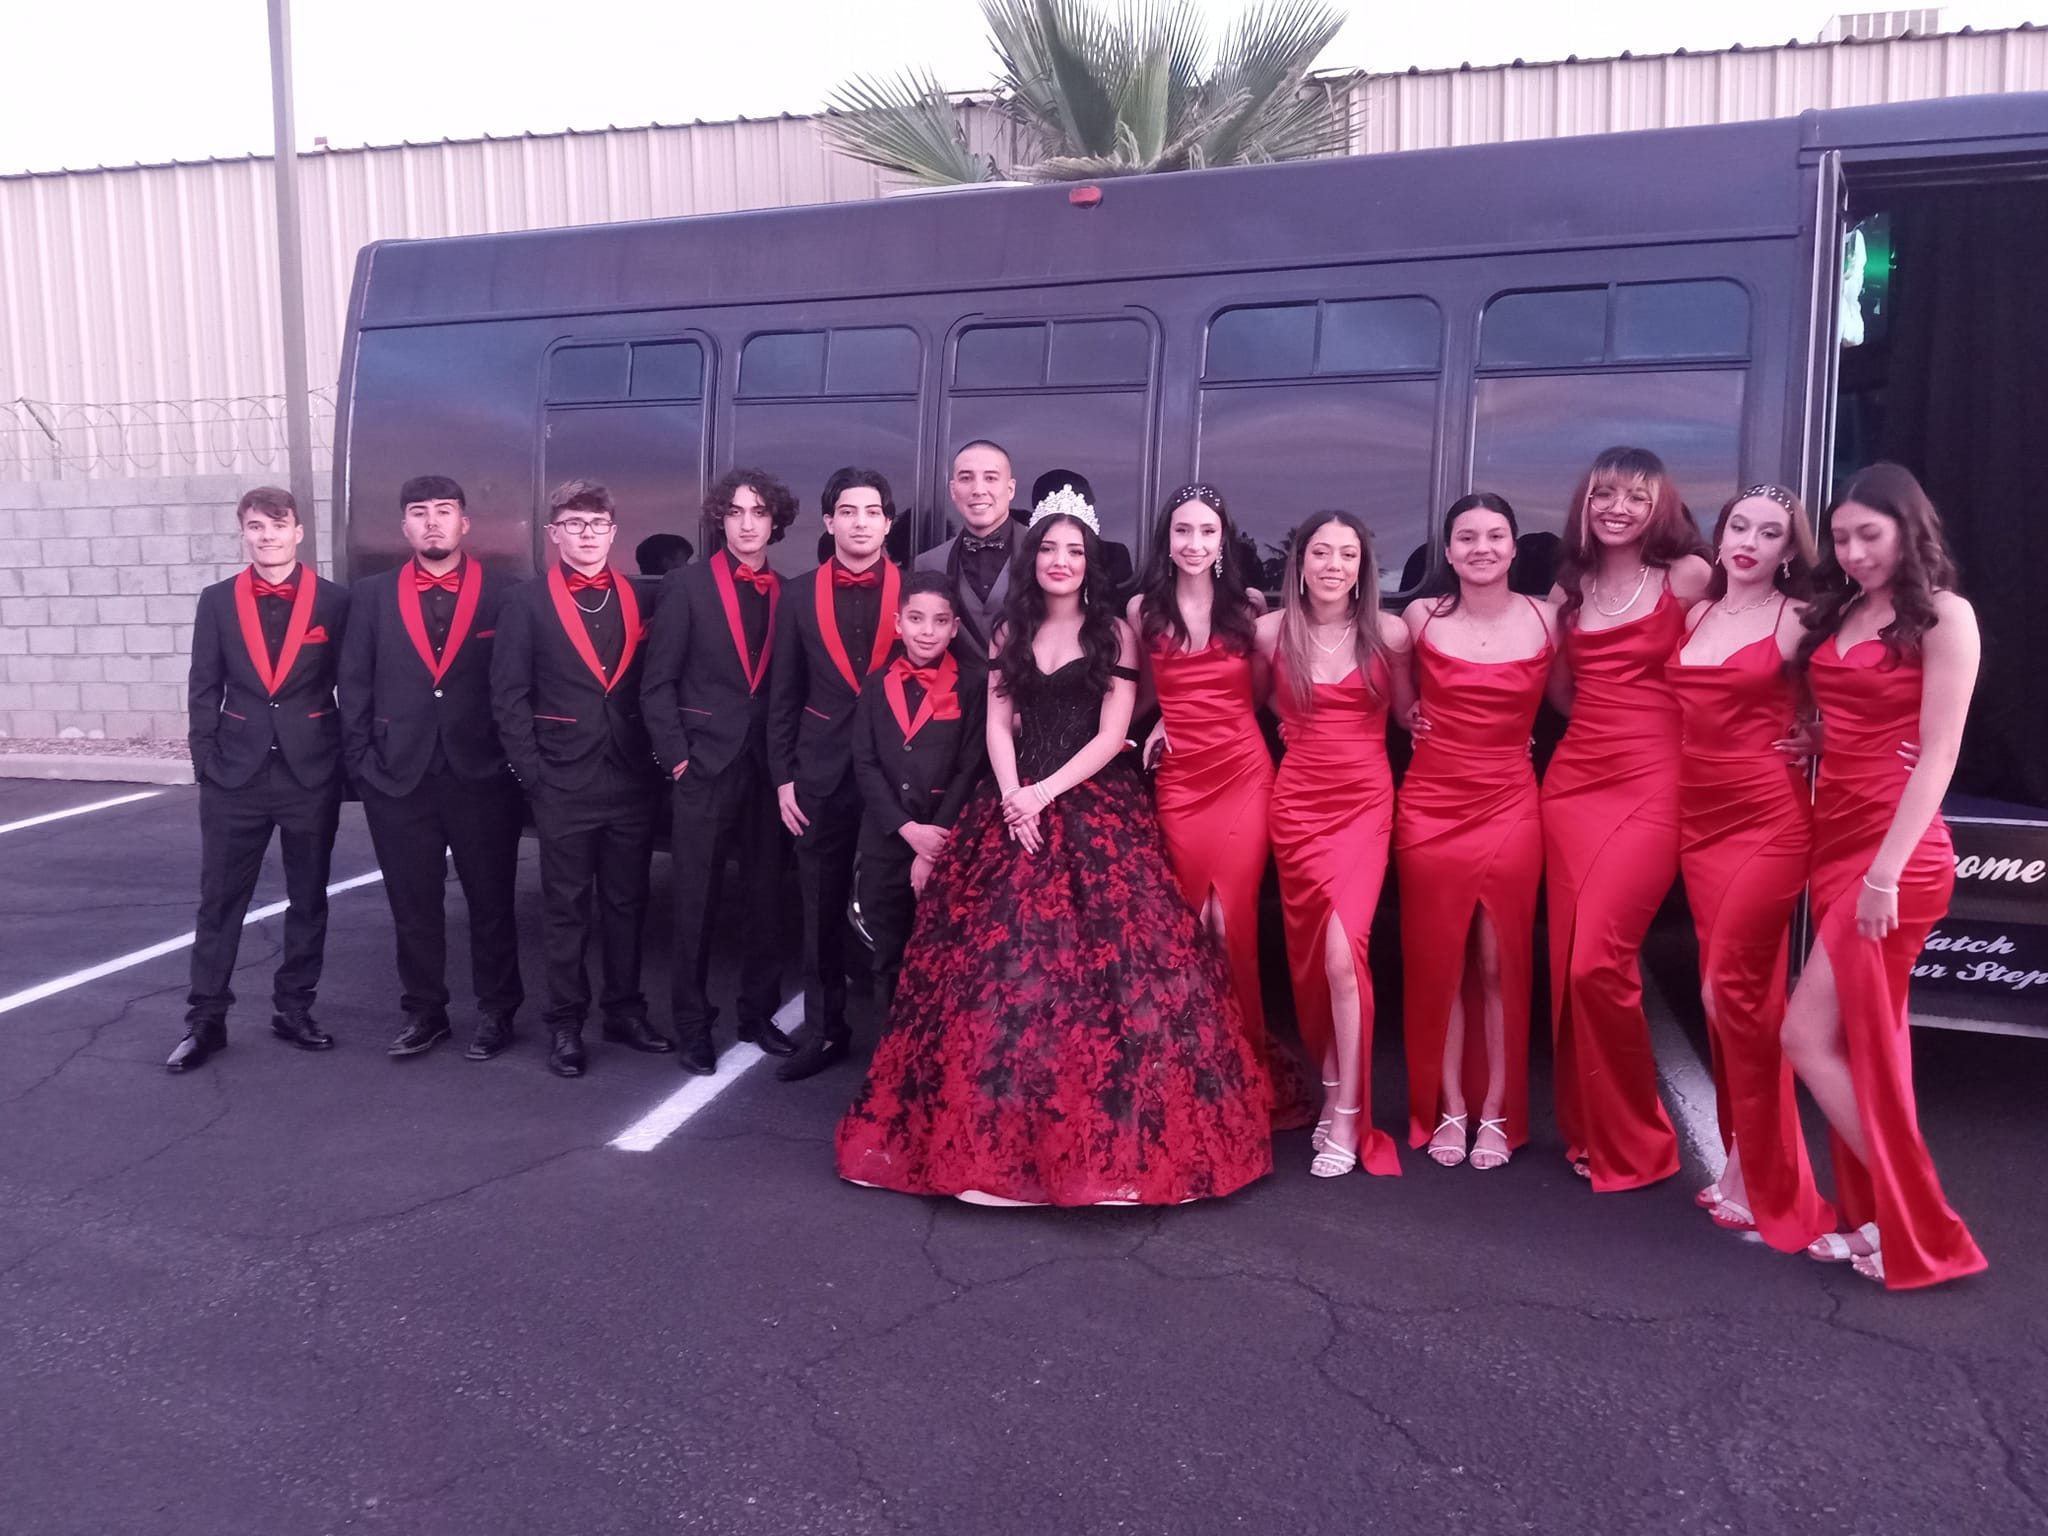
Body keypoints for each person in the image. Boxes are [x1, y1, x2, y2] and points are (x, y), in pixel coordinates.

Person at [835, 484, 1271, 1205]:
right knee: (997, 966)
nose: (1060, 561)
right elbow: (998, 724)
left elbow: (1111, 734)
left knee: (1116, 975)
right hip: (1013, 805)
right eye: (1049, 549)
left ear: (1089, 559)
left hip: (1090, 799)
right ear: (1032, 558)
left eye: (1074, 550)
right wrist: (1012, 795)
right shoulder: (1011, 632)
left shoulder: (1116, 632)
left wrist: (1044, 793)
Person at [1786, 463, 1986, 1290]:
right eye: (1841, 537)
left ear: (1909, 528)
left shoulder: (1944, 616)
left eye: (1871, 533)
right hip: (1835, 837)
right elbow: (1860, 716)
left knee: (1805, 1036)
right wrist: (1820, 746)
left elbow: (1938, 752)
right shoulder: (1849, 610)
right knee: (1861, 1045)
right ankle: (1873, 1221)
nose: (1855, 550)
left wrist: (1885, 874)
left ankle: (1923, 1223)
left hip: (1894, 858)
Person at [1667, 485, 1835, 1249]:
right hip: (1698, 823)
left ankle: (1763, 1176)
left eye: (1770, 534)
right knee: (1734, 999)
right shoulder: (1698, 614)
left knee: (1726, 989)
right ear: (1722, 531)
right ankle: (1743, 1157)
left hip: (1767, 820)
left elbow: (1851, 702)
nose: (1750, 542)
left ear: (1787, 550)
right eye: (1739, 526)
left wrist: (1818, 737)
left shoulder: (1797, 621)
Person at [1541, 446, 1711, 1189]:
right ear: (1586, 502)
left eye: (1636, 498)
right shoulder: (1570, 585)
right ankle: (1590, 1132)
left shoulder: (1690, 576)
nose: (1618, 508)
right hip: (1575, 782)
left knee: (1597, 963)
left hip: (1657, 783)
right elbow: (1558, 691)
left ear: (1660, 507)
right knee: (1568, 963)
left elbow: (1735, 658)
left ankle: (1639, 1143)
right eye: (1605, 494)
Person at [1128, 483, 1309, 1129]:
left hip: (1241, 774)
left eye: (1206, 531)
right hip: (1179, 782)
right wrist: (1151, 727)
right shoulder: (1144, 609)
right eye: (1183, 531)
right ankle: (1191, 1069)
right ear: (1167, 539)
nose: (1194, 543)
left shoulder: (1250, 608)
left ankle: (1242, 1070)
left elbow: (1260, 694)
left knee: (1229, 926)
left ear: (1223, 540)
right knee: (1189, 931)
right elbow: (1144, 692)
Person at [337, 474, 524, 1061]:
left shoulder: (505, 594)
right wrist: (364, 764)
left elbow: (517, 685)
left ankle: (497, 1012)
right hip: (398, 776)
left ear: (464, 523)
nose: (433, 521)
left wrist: (508, 762)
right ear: (405, 526)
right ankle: (425, 1012)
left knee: (491, 902)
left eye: (444, 511)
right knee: (413, 905)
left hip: (481, 775)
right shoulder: (370, 596)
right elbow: (355, 683)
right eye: (420, 512)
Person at [489, 480, 671, 1077]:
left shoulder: (636, 597)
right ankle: (565, 1023)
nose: (586, 534)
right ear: (554, 533)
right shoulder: (526, 602)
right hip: (562, 778)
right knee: (566, 909)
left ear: (613, 533)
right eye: (574, 523)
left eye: (596, 523)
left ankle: (624, 1009)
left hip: (629, 776)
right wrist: (533, 774)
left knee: (627, 902)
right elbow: (509, 696)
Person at [1396, 494, 1556, 1172]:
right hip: (1431, 805)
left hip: (1512, 803)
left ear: (1515, 547)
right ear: (1449, 550)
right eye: (1467, 538)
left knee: (1498, 963)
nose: (1481, 548)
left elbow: (1581, 702)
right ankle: (1449, 1108)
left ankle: (1497, 1111)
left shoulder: (1550, 618)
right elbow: (1400, 705)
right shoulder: (1417, 618)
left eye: (1495, 536)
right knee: (1440, 963)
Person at [169, 486, 351, 1073]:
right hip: (236, 774)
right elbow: (204, 686)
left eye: (277, 525)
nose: (266, 535)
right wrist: (206, 762)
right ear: (243, 532)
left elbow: (355, 684)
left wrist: (343, 761)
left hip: (309, 770)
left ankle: (294, 1008)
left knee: (308, 897)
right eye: (254, 526)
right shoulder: (217, 600)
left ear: (299, 531)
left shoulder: (333, 602)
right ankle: (205, 1020)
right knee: (220, 900)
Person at [1256, 511, 1415, 1177]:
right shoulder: (1271, 632)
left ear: (1362, 567)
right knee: (1308, 964)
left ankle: (1351, 1109)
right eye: (1321, 552)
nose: (1333, 565)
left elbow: (1412, 714)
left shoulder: (1388, 631)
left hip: (1363, 807)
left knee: (1345, 955)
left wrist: (1493, 733)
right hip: (1295, 808)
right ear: (1300, 563)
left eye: (1347, 554)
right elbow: (1253, 706)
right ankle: (1329, 1087)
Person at [641, 470, 800, 1076]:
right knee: (696, 902)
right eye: (735, 512)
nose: (747, 522)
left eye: (758, 512)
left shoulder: (790, 592)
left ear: (774, 521)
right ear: (721, 519)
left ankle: (757, 1015)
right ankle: (691, 1025)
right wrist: (678, 759)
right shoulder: (684, 586)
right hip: (703, 764)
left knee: (764, 900)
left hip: (768, 768)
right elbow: (656, 684)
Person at [769, 467, 902, 1082]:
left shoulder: (918, 591)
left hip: (897, 776)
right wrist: (783, 777)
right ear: (828, 521)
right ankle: (823, 1032)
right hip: (817, 773)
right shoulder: (795, 595)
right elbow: (783, 693)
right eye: (847, 511)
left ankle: (901, 1039)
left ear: (887, 522)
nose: (860, 522)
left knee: (894, 909)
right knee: (819, 909)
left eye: (872, 511)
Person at [849, 571, 988, 1012]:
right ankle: (888, 1059)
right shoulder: (874, 684)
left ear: (954, 627)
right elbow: (865, 763)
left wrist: (933, 840)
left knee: (939, 955)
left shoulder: (972, 685)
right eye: (916, 619)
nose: (927, 631)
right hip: (886, 841)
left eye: (939, 620)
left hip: (943, 841)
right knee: (886, 953)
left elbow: (970, 767)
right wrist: (907, 829)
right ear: (898, 623)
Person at [914, 440, 1017, 654]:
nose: (978, 489)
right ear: (953, 490)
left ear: (1010, 489)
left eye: (990, 478)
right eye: (966, 478)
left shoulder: (1044, 553)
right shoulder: (928, 563)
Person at [1029, 469, 1135, 595]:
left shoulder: (1114, 555)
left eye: (1076, 552)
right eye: (1046, 549)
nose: (1060, 562)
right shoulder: (1010, 613)